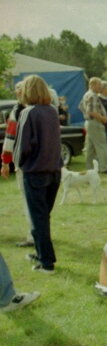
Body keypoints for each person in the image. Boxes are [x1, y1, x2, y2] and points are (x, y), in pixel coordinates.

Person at [13, 75, 63, 275]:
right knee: (43, 216)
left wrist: (18, 163)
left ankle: (46, 262)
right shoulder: (52, 111)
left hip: (35, 172)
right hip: (54, 171)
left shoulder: (28, 113)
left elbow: (22, 147)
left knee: (38, 218)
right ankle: (41, 253)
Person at [1, 82, 35, 248]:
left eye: (18, 89)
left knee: (28, 199)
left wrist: (5, 162)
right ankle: (41, 233)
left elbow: (10, 138)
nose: (16, 92)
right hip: (42, 162)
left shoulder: (17, 111)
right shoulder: (44, 109)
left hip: (24, 162)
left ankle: (33, 235)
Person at [79, 77, 107, 174]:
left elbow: (81, 106)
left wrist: (86, 116)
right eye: (99, 85)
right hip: (95, 123)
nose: (100, 87)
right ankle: (104, 168)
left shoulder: (86, 94)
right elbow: (92, 112)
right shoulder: (92, 96)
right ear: (92, 85)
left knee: (91, 148)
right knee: (102, 146)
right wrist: (103, 118)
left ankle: (89, 168)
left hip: (88, 123)